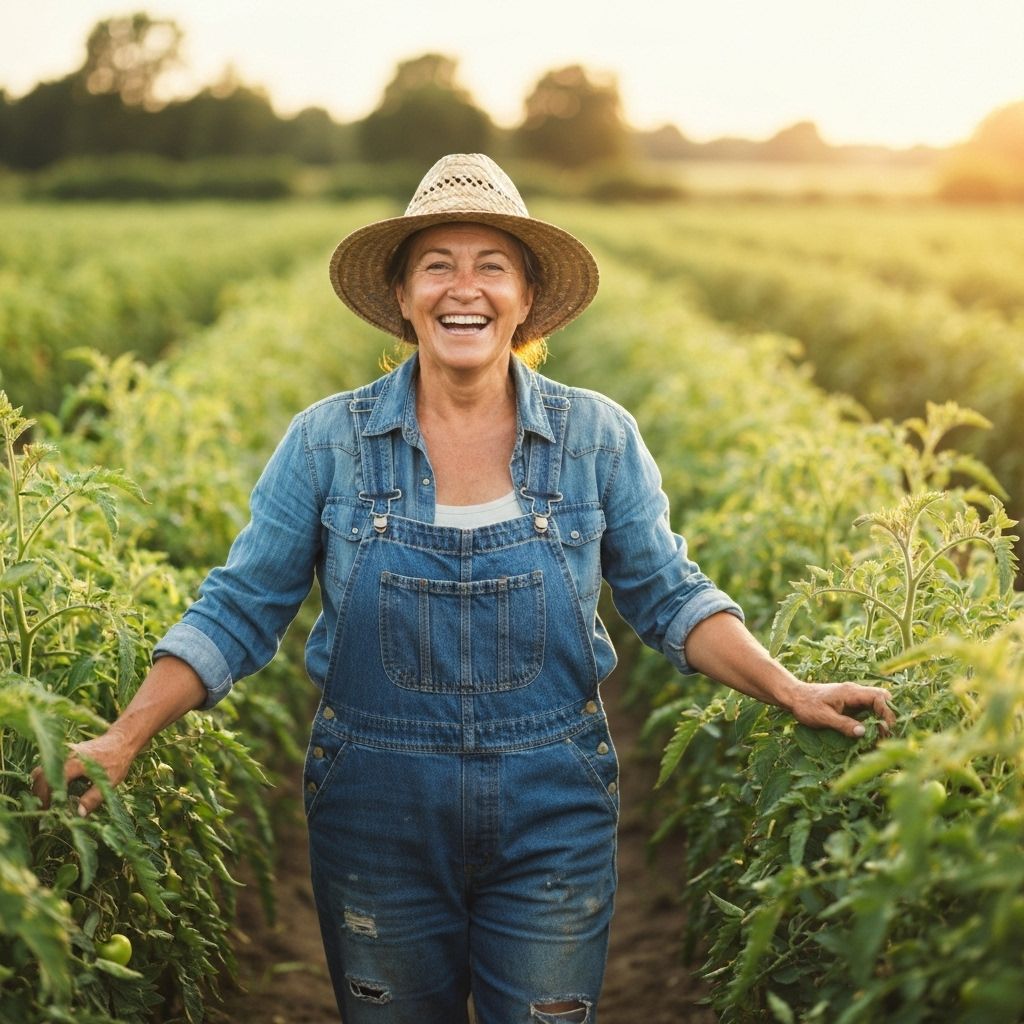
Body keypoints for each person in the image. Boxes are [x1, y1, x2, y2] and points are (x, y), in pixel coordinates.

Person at [35, 153, 893, 1023]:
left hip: (551, 806)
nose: (464, 288)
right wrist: (125, 736)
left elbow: (669, 594)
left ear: (525, 302)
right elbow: (241, 606)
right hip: (376, 812)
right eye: (437, 265)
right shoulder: (328, 442)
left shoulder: (596, 436)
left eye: (491, 266)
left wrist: (788, 686)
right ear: (405, 298)